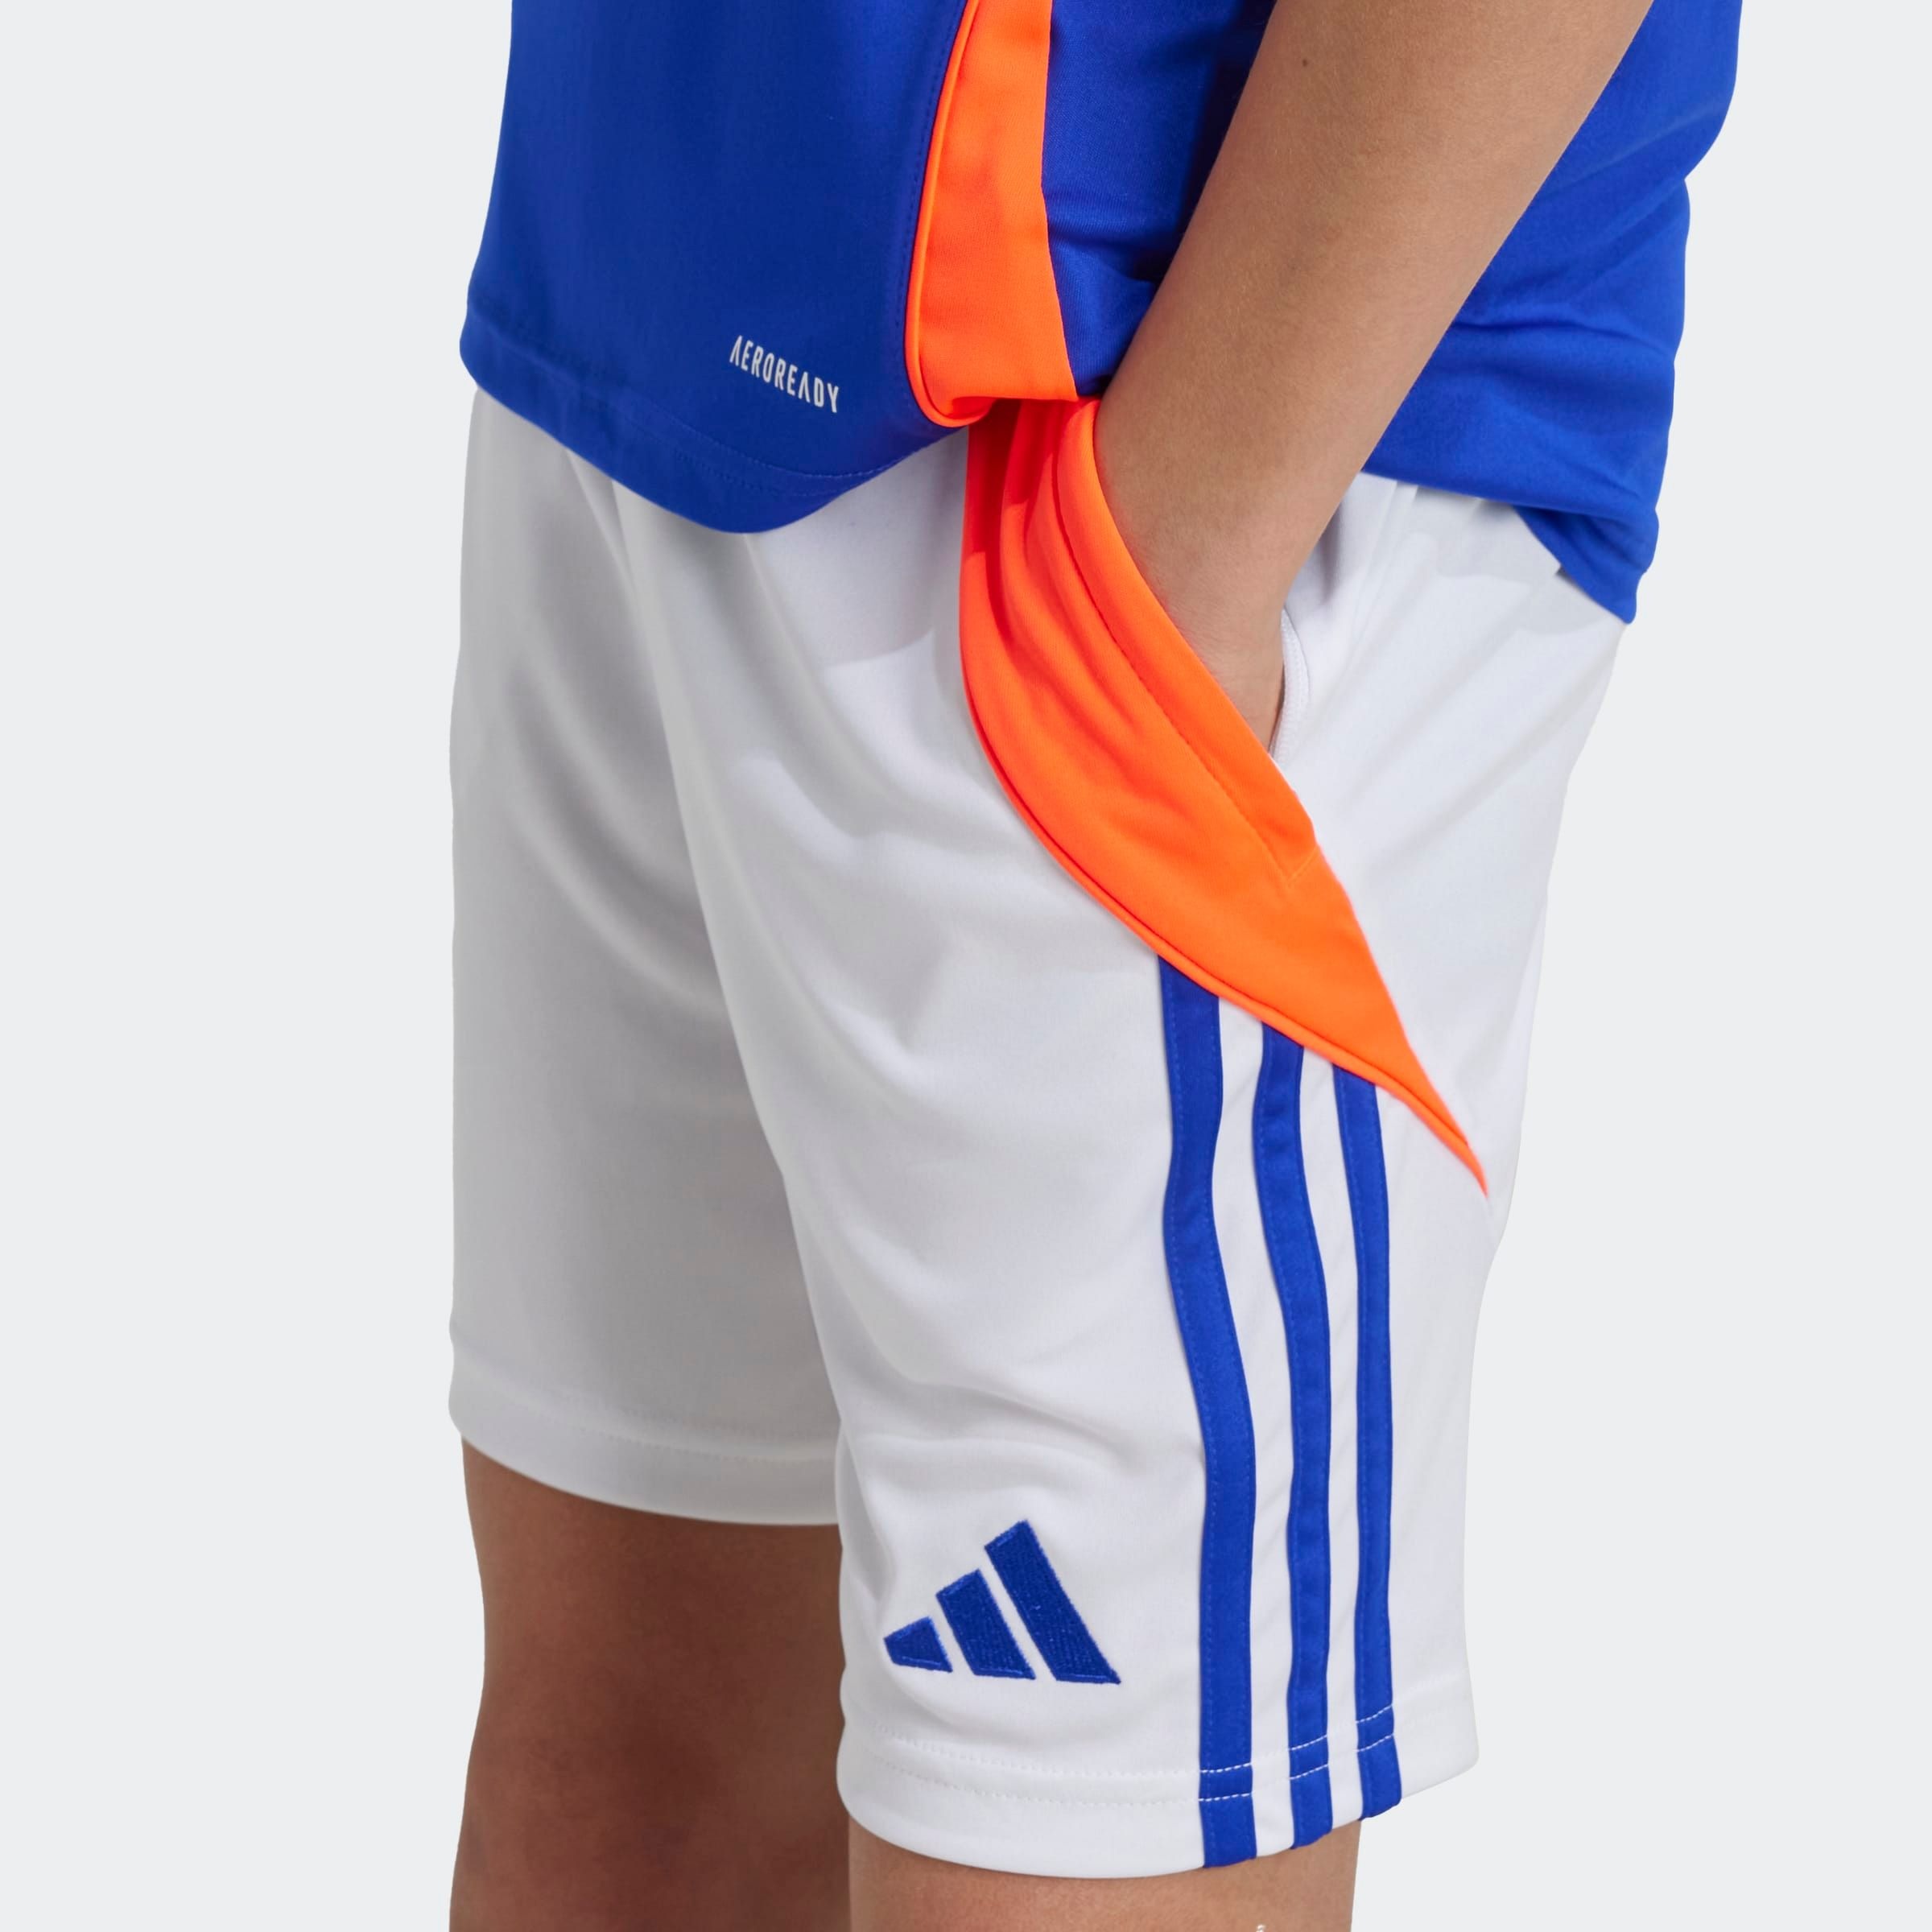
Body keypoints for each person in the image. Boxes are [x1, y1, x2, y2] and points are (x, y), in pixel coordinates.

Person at [446, 2, 1740, 1925]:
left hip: (1105, 400)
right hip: (650, 270)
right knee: (628, 1789)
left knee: (1051, 1847)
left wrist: (1182, 551)